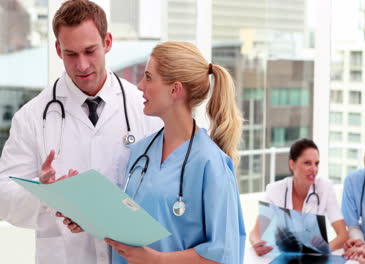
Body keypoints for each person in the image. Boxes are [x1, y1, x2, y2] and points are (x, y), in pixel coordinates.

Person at [0, 1, 161, 263]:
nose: (82, 65)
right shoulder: (32, 117)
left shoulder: (143, 108)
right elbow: (4, 196)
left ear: (107, 42)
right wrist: (46, 194)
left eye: (90, 51)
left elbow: (162, 188)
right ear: (57, 50)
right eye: (71, 54)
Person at [90, 41, 246, 263]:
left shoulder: (211, 163)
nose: (140, 86)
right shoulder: (140, 152)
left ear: (175, 89)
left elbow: (224, 254)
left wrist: (159, 259)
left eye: (149, 77)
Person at [249, 138, 349, 256]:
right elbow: (255, 233)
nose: (314, 169)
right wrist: (257, 243)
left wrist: (324, 249)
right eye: (307, 163)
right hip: (285, 257)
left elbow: (343, 235)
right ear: (292, 164)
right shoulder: (275, 190)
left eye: (316, 163)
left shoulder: (324, 188)